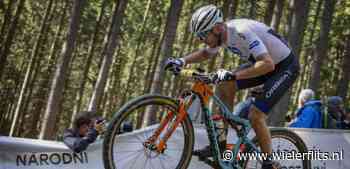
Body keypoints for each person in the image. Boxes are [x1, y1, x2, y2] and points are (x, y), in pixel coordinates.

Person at [164, 5, 299, 169]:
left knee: (255, 115)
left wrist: (234, 75)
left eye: (203, 35)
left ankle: (269, 162)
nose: (202, 40)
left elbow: (268, 64)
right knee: (224, 85)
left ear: (217, 28)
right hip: (264, 63)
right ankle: (220, 145)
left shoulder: (241, 31)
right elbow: (206, 53)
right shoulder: (222, 34)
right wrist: (182, 61)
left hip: (284, 67)